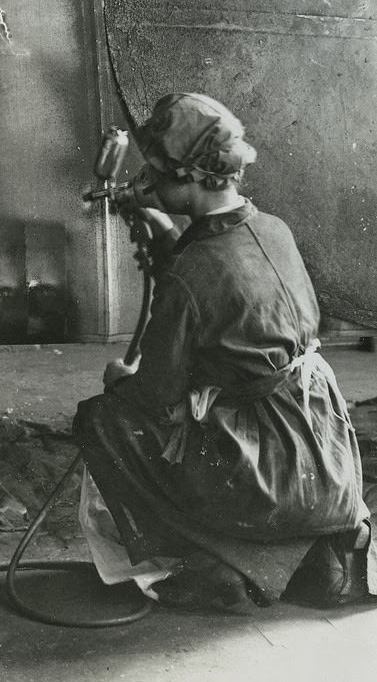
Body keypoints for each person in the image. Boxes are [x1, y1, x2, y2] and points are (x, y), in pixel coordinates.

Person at [74, 93, 377, 614]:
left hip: (269, 475)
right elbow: (224, 272)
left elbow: (157, 396)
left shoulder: (190, 278)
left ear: (189, 176)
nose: (145, 179)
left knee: (106, 419)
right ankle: (316, 555)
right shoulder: (272, 228)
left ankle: (205, 566)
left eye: (155, 170)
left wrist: (120, 375)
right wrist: (165, 227)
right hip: (326, 458)